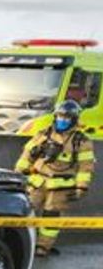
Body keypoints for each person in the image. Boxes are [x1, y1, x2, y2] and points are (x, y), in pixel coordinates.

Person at [14, 99, 95, 256]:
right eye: (59, 116)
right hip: (38, 181)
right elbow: (27, 154)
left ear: (74, 119)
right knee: (25, 211)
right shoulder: (44, 134)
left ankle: (42, 247)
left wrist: (81, 187)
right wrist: (18, 173)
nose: (62, 120)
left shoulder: (81, 141)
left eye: (66, 117)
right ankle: (21, 244)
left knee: (51, 219)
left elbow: (85, 167)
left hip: (60, 186)